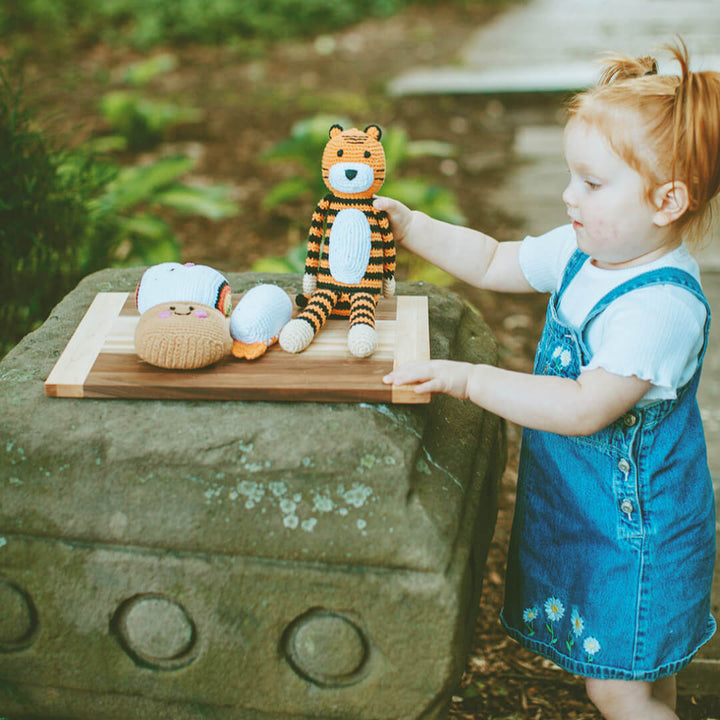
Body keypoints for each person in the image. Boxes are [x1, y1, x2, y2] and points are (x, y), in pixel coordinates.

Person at [374, 39, 718, 720]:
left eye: (591, 183)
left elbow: (586, 408)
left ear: (667, 200)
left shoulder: (658, 308)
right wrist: (412, 226)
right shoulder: (591, 248)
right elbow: (498, 259)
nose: (568, 197)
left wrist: (470, 380)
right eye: (570, 175)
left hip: (639, 534)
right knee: (641, 673)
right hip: (595, 515)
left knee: (616, 687)